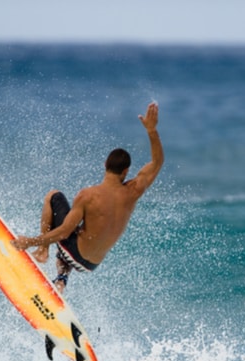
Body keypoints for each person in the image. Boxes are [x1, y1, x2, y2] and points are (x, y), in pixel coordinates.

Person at [11, 102, 163, 292]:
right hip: (91, 265)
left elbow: (64, 232)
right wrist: (151, 130)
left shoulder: (88, 196)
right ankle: (61, 280)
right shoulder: (133, 192)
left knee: (53, 196)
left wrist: (30, 241)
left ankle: (42, 253)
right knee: (78, 237)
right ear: (126, 171)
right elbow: (157, 163)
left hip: (73, 252)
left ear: (105, 164)